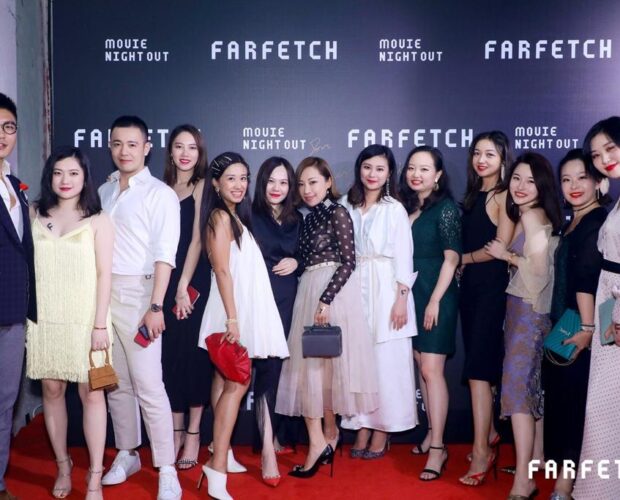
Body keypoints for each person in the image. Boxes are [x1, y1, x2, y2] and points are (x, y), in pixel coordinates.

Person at [276, 156, 379, 479]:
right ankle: (327, 436)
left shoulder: (338, 212)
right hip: (308, 288)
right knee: (316, 372)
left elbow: (349, 261)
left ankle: (322, 441)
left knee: (323, 371)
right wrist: (297, 263)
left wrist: (325, 299)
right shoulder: (307, 219)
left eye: (314, 182)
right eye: (302, 184)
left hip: (332, 294)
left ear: (328, 182)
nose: (307, 190)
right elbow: (306, 257)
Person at [98, 115, 182, 500]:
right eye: (117, 143)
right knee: (116, 383)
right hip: (103, 295)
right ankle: (127, 453)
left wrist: (156, 306)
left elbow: (165, 255)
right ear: (109, 146)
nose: (124, 151)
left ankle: (167, 468)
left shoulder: (159, 194)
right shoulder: (103, 191)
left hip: (141, 295)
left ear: (147, 147)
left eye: (132, 144)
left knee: (149, 384)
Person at [197, 152, 289, 499]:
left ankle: (220, 452)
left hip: (238, 308)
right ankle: (217, 465)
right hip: (232, 311)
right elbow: (222, 270)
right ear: (216, 183)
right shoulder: (220, 217)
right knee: (237, 382)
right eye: (231, 178)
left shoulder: (235, 216)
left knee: (225, 381)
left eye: (243, 178)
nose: (238, 185)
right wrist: (233, 319)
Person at [26, 147, 114, 499]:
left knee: (92, 393)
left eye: (73, 173)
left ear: (85, 177)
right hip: (45, 318)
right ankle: (63, 464)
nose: (65, 180)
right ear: (49, 176)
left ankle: (95, 474)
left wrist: (99, 325)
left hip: (88, 319)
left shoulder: (99, 219)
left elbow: (105, 274)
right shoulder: (33, 213)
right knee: (52, 390)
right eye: (58, 172)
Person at [486, 152, 561, 500]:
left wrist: (507, 256)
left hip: (529, 313)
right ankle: (536, 460)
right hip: (524, 311)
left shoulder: (531, 216)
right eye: (516, 178)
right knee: (530, 391)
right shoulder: (532, 214)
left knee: (517, 393)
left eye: (530, 181)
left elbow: (539, 270)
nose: (520, 186)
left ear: (542, 185)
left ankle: (524, 482)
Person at [340, 144, 417, 458]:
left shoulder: (394, 208)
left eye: (380, 169)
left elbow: (404, 257)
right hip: (352, 288)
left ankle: (382, 430)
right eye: (367, 167)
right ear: (359, 168)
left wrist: (401, 300)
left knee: (386, 363)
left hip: (387, 290)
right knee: (358, 362)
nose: (372, 174)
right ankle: (361, 425)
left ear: (389, 174)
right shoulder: (345, 204)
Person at [543, 149, 608, 500]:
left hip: (582, 327)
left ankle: (565, 487)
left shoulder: (596, 221)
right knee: (563, 405)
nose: (574, 185)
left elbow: (589, 281)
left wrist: (587, 330)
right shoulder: (575, 220)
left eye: (582, 177)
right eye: (566, 179)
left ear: (598, 180)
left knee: (574, 409)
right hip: (566, 323)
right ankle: (563, 482)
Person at [399, 145, 461, 481]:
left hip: (437, 293)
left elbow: (452, 259)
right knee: (420, 368)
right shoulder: (404, 207)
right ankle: (431, 432)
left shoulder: (446, 209)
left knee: (431, 369)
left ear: (437, 175)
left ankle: (438, 447)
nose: (416, 174)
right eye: (412, 167)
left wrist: (436, 300)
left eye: (424, 169)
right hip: (410, 295)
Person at [458, 131, 514, 486]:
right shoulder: (473, 195)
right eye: (477, 153)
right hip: (471, 290)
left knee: (479, 371)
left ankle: (482, 451)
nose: (481, 160)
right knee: (477, 367)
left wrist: (461, 259)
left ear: (503, 158)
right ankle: (490, 433)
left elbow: (499, 247)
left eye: (490, 154)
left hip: (492, 290)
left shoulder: (503, 195)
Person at [573, 117, 620, 500]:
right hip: (610, 302)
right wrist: (606, 320)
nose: (604, 159)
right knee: (603, 408)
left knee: (607, 409)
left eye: (611, 148)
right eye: (596, 155)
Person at [160, 125, 213, 470]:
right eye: (179, 146)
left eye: (191, 147)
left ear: (199, 152)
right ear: (170, 151)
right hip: (165, 279)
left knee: (194, 356)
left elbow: (196, 240)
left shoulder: (202, 185)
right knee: (171, 357)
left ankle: (193, 433)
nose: (185, 153)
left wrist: (183, 286)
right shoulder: (161, 188)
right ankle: (175, 431)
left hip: (193, 281)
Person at [251, 157, 303, 483]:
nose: (277, 188)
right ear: (262, 182)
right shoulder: (249, 214)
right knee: (250, 371)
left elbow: (309, 253)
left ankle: (270, 440)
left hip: (286, 299)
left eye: (283, 182)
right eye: (271, 181)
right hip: (256, 298)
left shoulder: (297, 219)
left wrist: (297, 261)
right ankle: (265, 446)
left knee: (274, 370)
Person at [0, 93, 37, 500]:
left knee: (5, 400)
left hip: (12, 311)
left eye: (8, 127)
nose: (2, 135)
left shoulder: (14, 184)